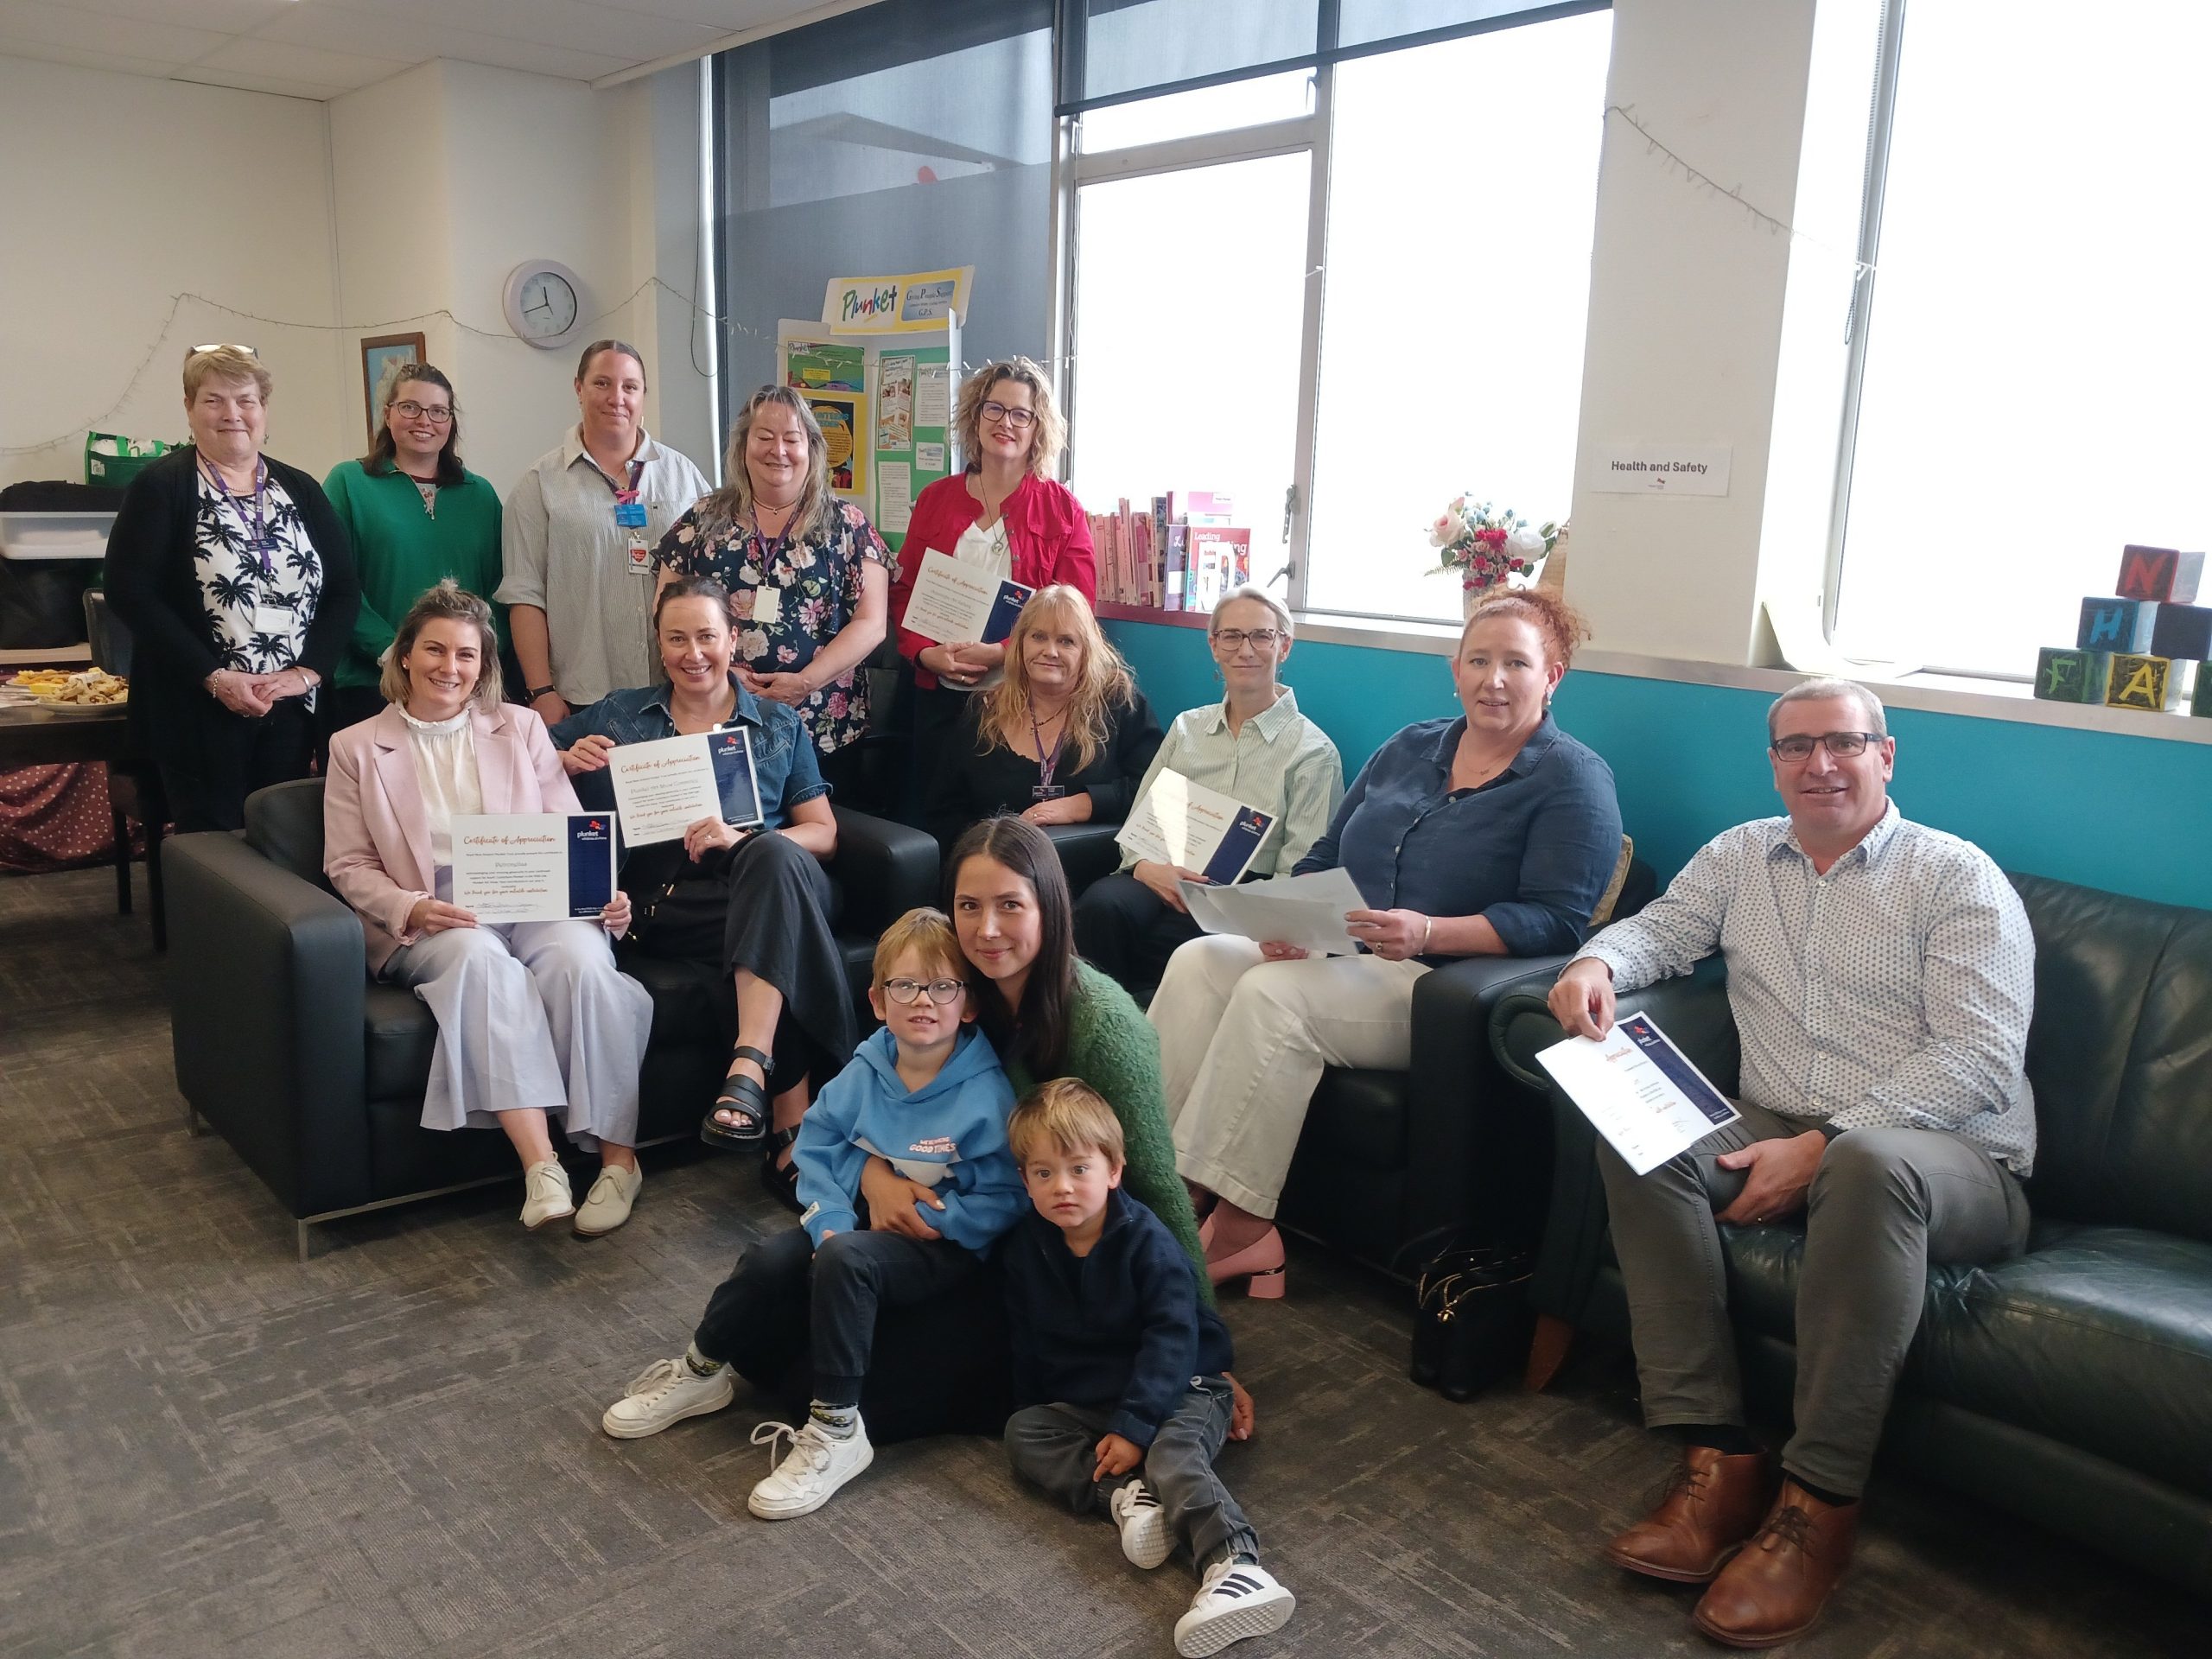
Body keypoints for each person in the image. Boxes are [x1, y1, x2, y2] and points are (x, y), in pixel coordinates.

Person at [1546, 677, 2036, 1649]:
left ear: (1884, 756)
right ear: (1772, 762)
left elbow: (1980, 1059)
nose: (1820, 765)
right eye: (1795, 746)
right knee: (1635, 1124)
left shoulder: (1955, 877)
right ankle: (1718, 1456)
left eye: (1843, 743)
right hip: (1778, 1116)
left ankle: (1818, 1506)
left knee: (1867, 1164)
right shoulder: (1740, 856)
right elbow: (1660, 931)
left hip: (1954, 1157)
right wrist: (1593, 963)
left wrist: (1824, 1144)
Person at [1154, 589, 1623, 1297]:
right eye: (1478, 661)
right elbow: (1326, 854)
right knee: (1200, 960)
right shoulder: (1410, 746)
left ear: (1551, 676)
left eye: (1516, 664)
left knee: (1274, 997)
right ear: (1455, 669)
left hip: (1439, 985)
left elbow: (1557, 921)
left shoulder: (1573, 778)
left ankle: (1243, 1230)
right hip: (1343, 952)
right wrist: (1290, 920)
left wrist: (1429, 930)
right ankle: (1160, 1186)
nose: (1494, 680)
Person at [600, 907, 1023, 1521]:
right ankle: (700, 1370)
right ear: (878, 1001)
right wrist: (829, 1223)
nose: (922, 1001)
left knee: (846, 1262)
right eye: (905, 985)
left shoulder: (986, 1094)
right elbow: (818, 1149)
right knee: (768, 1259)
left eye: (942, 987)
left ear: (970, 1004)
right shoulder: (865, 1069)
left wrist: (942, 1221)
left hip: (941, 1246)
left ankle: (836, 1429)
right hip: (857, 1226)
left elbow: (1006, 1195)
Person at [322, 582, 652, 1235]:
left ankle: (620, 1162)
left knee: (583, 961)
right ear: (405, 655)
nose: (450, 667)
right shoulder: (354, 746)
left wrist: (601, 897)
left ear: (483, 665)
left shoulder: (522, 727)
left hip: (530, 890)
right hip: (435, 910)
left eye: (466, 654)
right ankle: (542, 1168)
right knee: (482, 963)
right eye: (435, 650)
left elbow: (566, 828)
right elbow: (349, 864)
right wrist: (412, 908)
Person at [551, 576, 843, 1203]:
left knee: (770, 859)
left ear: (733, 639)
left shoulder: (777, 723)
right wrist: (563, 759)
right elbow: (524, 757)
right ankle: (790, 1129)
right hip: (671, 903)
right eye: (676, 638)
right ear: (659, 645)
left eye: (707, 636)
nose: (693, 653)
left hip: (767, 881)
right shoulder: (620, 714)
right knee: (775, 931)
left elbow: (823, 833)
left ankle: (749, 1066)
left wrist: (744, 841)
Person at [1003, 1078, 1295, 1658]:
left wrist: (1135, 1427)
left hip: (1185, 1383)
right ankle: (1128, 1496)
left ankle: (1237, 1566)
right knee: (1024, 1430)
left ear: (1113, 1171)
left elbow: (1172, 1339)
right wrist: (1042, 1405)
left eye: (1079, 1169)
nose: (1062, 1187)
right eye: (1043, 1173)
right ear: (1025, 1180)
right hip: (1103, 1397)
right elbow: (1025, 1341)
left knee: (1171, 1457)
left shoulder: (1147, 1243)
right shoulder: (1025, 1247)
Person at [105, 345, 359, 832]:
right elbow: (129, 591)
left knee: (281, 842)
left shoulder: (300, 488)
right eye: (213, 400)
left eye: (246, 400)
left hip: (289, 707)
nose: (232, 414)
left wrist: (308, 672)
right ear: (189, 408)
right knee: (213, 851)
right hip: (197, 711)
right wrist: (214, 677)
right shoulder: (162, 486)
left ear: (264, 409)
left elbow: (344, 589)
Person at [1073, 586, 1343, 996]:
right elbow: (1139, 825)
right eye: (1231, 636)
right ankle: (1100, 1024)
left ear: (1284, 646)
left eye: (1261, 636)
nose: (1245, 650)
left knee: (1177, 944)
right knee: (1099, 908)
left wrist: (1236, 905)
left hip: (1245, 894)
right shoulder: (1187, 728)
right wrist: (1145, 868)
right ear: (1214, 646)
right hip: (1164, 873)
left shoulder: (1313, 753)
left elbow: (1299, 874)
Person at [652, 385, 889, 801]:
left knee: (826, 835)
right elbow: (666, 611)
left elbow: (872, 623)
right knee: (725, 833)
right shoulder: (703, 519)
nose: (778, 450)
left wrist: (804, 682)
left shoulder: (848, 524)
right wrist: (720, 672)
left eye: (791, 439)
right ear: (743, 445)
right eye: (764, 436)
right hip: (719, 718)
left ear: (811, 448)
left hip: (823, 726)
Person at [889, 357, 1095, 778]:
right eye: (995, 408)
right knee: (936, 807)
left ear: (1037, 428)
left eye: (1021, 414)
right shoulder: (934, 498)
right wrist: (926, 654)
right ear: (976, 415)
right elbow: (904, 590)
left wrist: (1004, 651)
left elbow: (1077, 612)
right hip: (938, 696)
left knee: (1004, 812)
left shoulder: (1063, 510)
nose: (1006, 422)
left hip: (1021, 698)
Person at [498, 340, 709, 721]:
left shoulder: (685, 476)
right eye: (602, 383)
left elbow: (713, 578)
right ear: (578, 388)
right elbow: (525, 596)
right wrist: (542, 691)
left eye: (630, 386)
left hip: (678, 689)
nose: (617, 398)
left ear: (643, 395)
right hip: (582, 697)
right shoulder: (538, 485)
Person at [322, 363, 504, 735]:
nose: (424, 421)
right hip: (370, 682)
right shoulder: (349, 483)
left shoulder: (480, 495)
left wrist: (474, 658)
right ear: (388, 414)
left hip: (459, 684)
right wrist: (393, 651)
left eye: (438, 411)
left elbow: (500, 588)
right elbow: (334, 580)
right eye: (410, 407)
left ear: (451, 422)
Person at [921, 586, 1163, 856]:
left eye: (1066, 641)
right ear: (1020, 644)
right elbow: (944, 813)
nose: (1051, 651)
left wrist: (1081, 805)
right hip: (1001, 865)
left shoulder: (1119, 702)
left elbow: (1157, 788)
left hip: (1094, 862)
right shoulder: (984, 710)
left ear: (1086, 651)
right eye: (1038, 637)